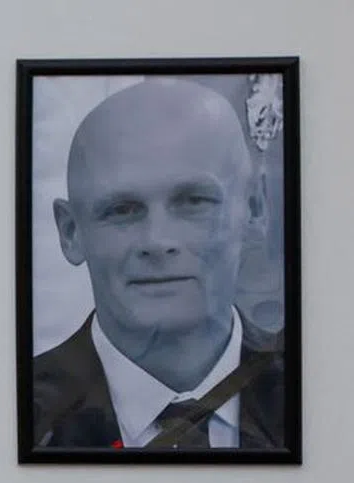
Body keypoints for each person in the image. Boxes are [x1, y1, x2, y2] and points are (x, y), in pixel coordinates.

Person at [33, 78, 285, 450]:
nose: (157, 241)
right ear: (71, 232)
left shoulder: (330, 397)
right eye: (122, 209)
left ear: (254, 208)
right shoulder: (14, 413)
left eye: (194, 201)